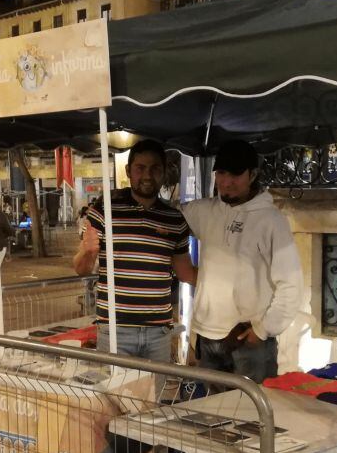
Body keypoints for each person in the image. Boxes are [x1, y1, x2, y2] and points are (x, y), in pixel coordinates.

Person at [182, 140, 303, 382]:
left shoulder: (271, 221)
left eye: (236, 174)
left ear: (253, 174)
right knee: (211, 416)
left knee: (251, 417)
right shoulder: (204, 211)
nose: (226, 181)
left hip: (249, 341)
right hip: (206, 338)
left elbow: (291, 284)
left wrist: (263, 330)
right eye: (222, 173)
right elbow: (165, 220)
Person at [73, 139, 195, 361]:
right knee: (114, 395)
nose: (147, 175)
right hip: (115, 330)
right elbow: (81, 269)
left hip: (159, 331)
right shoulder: (105, 211)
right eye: (140, 168)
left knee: (153, 396)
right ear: (129, 171)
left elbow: (186, 272)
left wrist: (226, 284)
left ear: (164, 172)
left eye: (155, 168)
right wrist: (89, 252)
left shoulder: (174, 219)